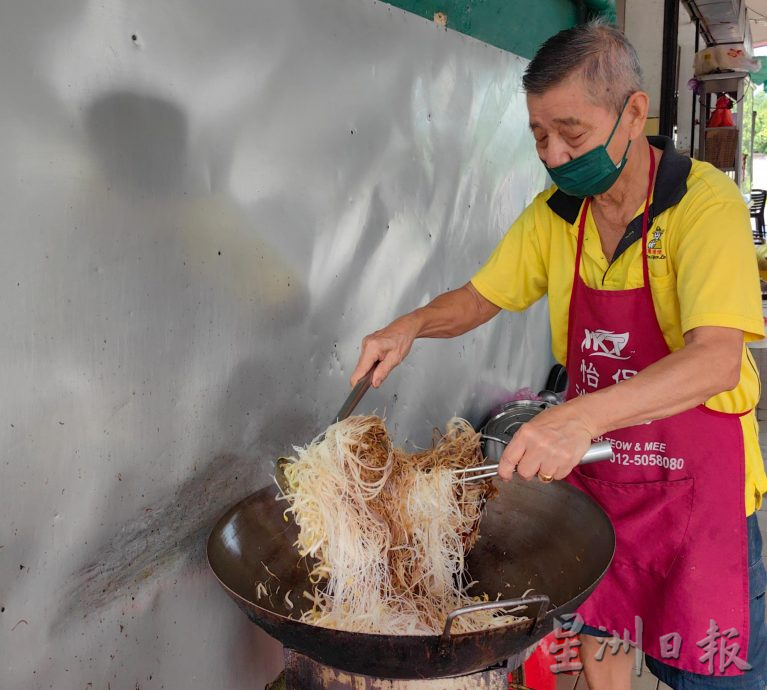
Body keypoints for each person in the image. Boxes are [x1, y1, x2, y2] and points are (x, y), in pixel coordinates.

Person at [350, 21, 767, 690]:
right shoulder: (555, 216)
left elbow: (715, 360)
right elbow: (481, 297)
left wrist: (577, 419)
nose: (552, 154)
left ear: (632, 113)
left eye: (570, 134)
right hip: (601, 493)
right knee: (602, 633)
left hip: (696, 501)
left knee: (712, 669)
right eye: (538, 137)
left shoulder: (700, 205)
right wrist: (410, 326)